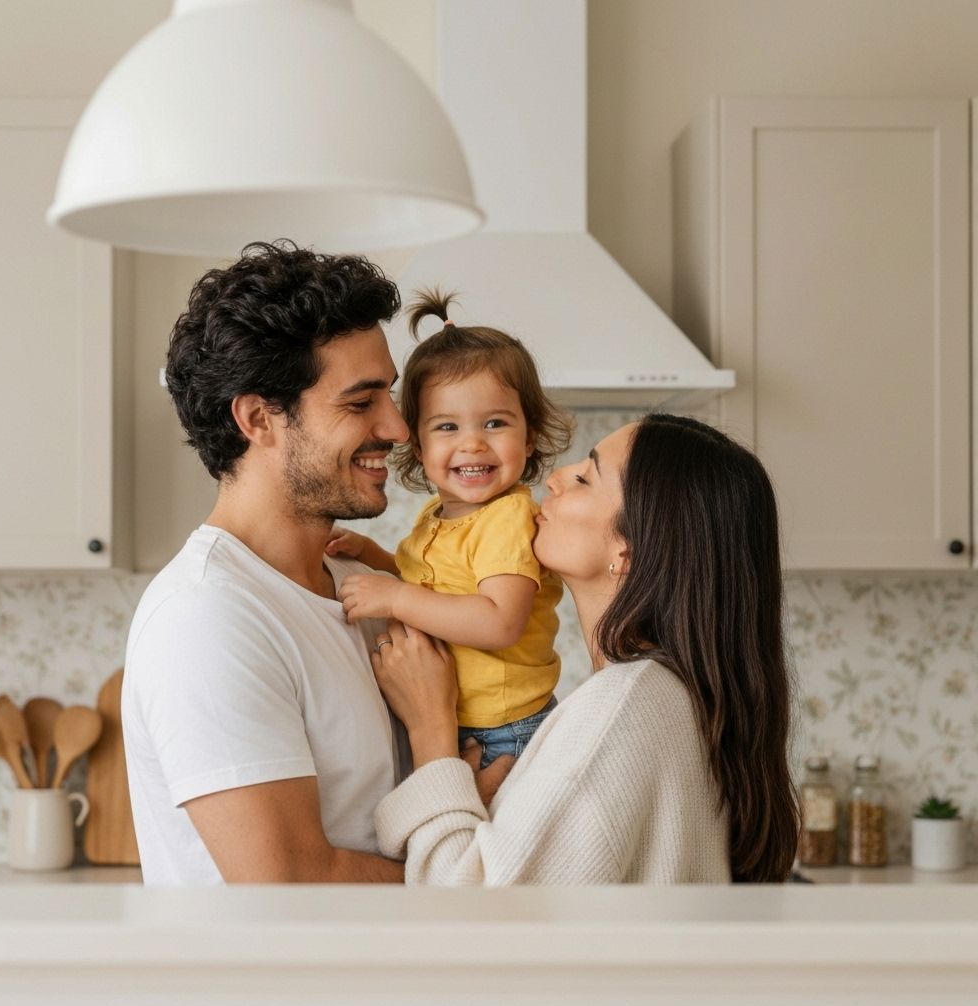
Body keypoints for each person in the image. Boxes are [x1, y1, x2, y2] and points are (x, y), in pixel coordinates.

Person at [370, 413, 800, 884]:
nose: (553, 478)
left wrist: (431, 730)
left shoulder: (623, 706)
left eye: (584, 477)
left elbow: (472, 921)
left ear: (628, 550)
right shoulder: (666, 699)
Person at [122, 240, 411, 885]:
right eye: (361, 402)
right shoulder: (205, 617)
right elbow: (286, 880)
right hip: (273, 989)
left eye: (389, 396)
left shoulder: (363, 590)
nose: (397, 428)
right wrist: (467, 876)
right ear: (259, 419)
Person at [327, 291, 573, 767]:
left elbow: (499, 621)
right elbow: (432, 578)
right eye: (446, 428)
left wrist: (395, 599)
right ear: (416, 444)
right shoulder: (439, 515)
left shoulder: (507, 519)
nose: (473, 443)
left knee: (476, 841)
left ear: (532, 435)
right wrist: (373, 555)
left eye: (496, 422)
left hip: (506, 729)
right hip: (462, 719)